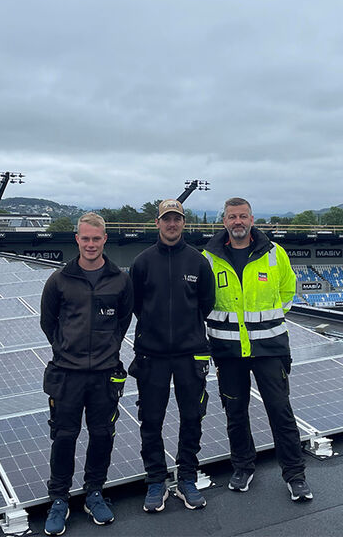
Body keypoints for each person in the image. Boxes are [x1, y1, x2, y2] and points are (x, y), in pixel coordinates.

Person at [201, 197, 313, 502]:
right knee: (235, 413)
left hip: (269, 348)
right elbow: (203, 301)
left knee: (280, 412)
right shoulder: (208, 258)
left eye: (243, 216)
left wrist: (267, 322)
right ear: (224, 221)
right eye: (232, 217)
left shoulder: (275, 253)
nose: (237, 221)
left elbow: (287, 292)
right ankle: (242, 467)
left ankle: (295, 475)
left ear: (252, 219)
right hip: (228, 351)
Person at [39, 212, 134, 535]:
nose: (90, 244)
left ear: (104, 239)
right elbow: (48, 322)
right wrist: (66, 349)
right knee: (64, 437)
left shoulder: (120, 280)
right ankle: (59, 498)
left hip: (105, 376)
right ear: (77, 239)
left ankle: (94, 491)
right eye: (85, 238)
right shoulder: (59, 280)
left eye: (96, 238)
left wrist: (107, 350)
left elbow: (123, 322)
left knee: (102, 435)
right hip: (67, 375)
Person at [128, 199, 216, 512]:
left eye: (177, 219)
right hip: (151, 355)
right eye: (166, 219)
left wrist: (186, 332)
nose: (172, 224)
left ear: (183, 223)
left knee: (192, 417)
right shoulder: (142, 262)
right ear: (158, 223)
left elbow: (206, 303)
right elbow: (136, 305)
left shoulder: (198, 262)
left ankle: (187, 477)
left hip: (190, 354)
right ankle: (156, 480)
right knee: (151, 419)